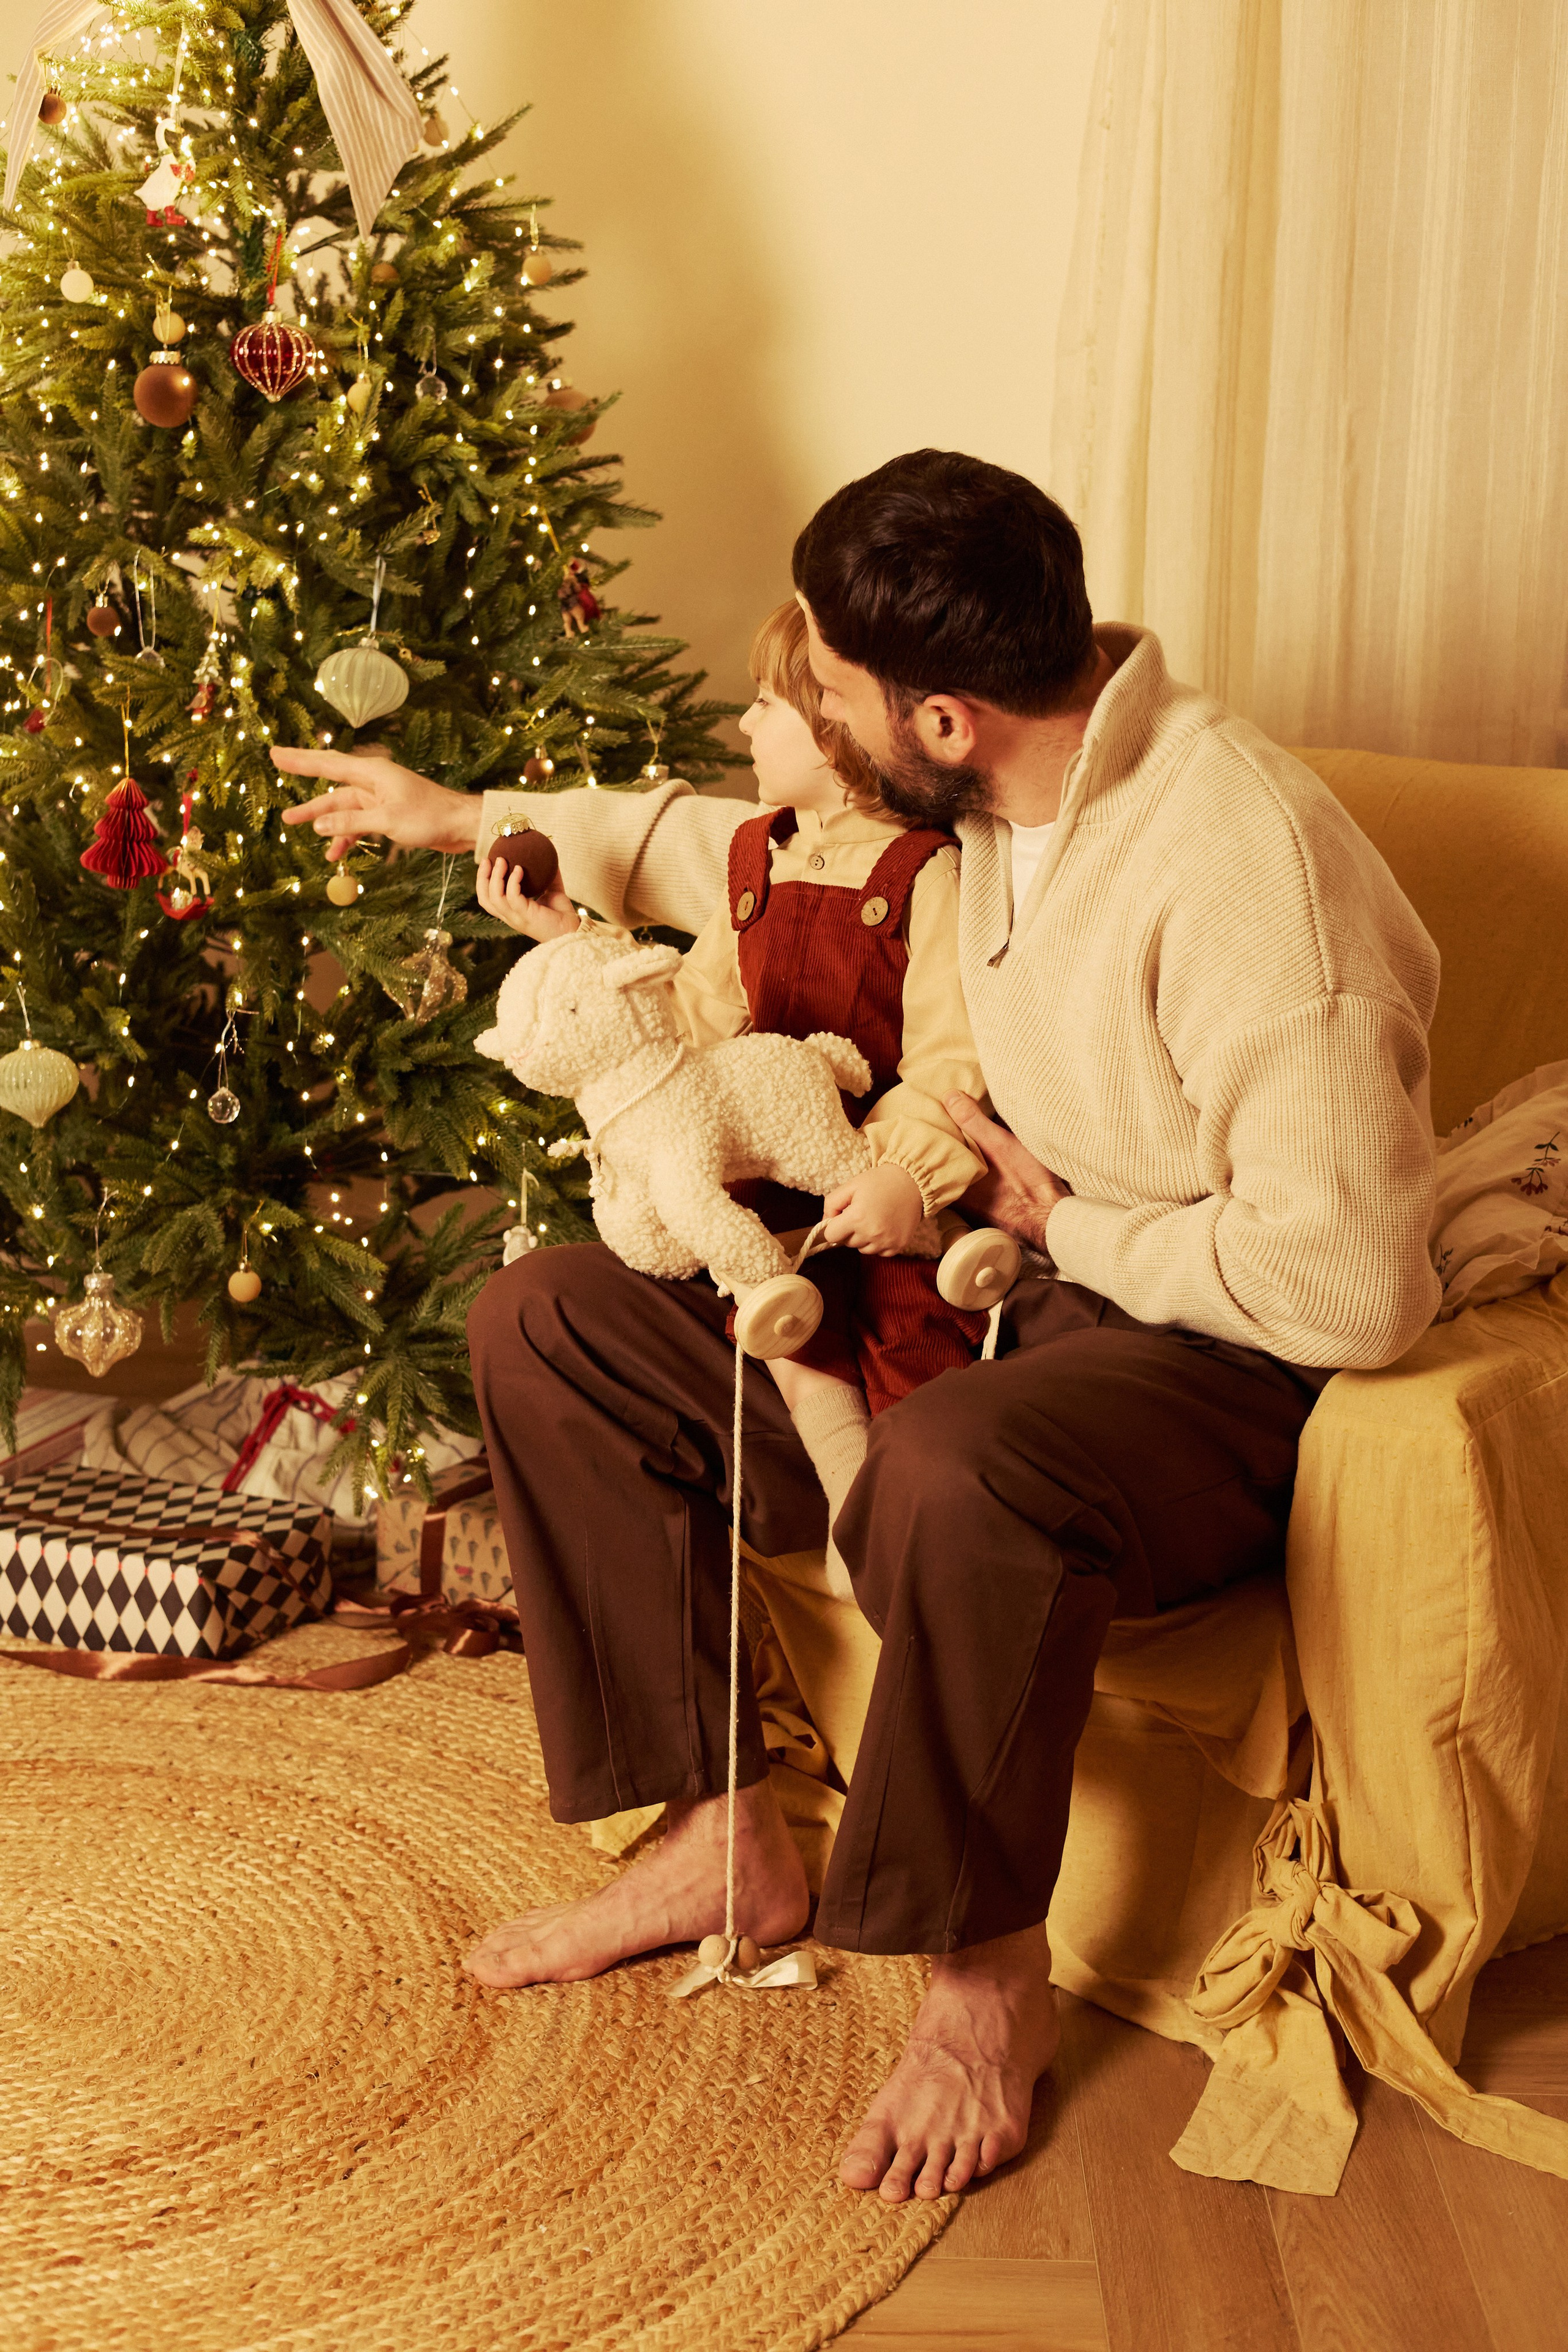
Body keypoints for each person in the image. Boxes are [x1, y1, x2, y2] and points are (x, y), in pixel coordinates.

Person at [274, 450, 1441, 2209]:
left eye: (824, 683)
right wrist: (462, 815)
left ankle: (981, 1977)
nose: (803, 706)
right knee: (551, 1319)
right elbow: (702, 835)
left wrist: (1074, 1223)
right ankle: (714, 1831)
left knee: (948, 1468)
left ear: (944, 719)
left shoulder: (1250, 875)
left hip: (1219, 1366)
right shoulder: (989, 794)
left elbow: (1355, 1285)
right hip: (998, 1306)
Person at [474, 597, 992, 1593]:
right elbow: (688, 1028)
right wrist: (570, 944)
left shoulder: (928, 876)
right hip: (751, 1165)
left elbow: (948, 1055)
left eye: (765, 705)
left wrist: (907, 1177)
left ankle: (900, 1546)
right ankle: (844, 1515)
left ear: (839, 728)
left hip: (858, 1179)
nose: (743, 725)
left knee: (907, 1341)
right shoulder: (755, 858)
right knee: (769, 1313)